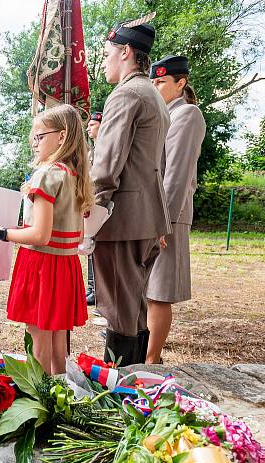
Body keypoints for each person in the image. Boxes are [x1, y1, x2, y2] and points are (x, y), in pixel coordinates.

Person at [0, 105, 92, 375]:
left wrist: (0, 233)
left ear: (61, 137)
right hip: (65, 265)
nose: (34, 143)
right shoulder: (73, 174)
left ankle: (40, 401)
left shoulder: (46, 174)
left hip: (41, 265)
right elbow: (75, 234)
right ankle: (59, 394)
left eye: (40, 136)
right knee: (56, 343)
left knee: (38, 340)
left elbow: (40, 235)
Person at [90, 17, 171, 366]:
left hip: (122, 220)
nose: (104, 61)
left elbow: (107, 165)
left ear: (125, 52)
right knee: (134, 307)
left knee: (119, 310)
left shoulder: (126, 94)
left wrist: (90, 214)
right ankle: (136, 388)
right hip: (148, 217)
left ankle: (117, 394)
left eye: (107, 53)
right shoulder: (153, 93)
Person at [146, 55, 206, 364]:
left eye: (161, 82)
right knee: (147, 288)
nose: (155, 87)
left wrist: (163, 223)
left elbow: (177, 175)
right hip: (153, 214)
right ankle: (144, 353)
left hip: (169, 215)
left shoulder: (187, 114)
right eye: (153, 81)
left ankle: (152, 360)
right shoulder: (164, 115)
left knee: (159, 291)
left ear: (180, 83)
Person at [85, 110, 103, 307]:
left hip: (100, 202)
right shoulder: (92, 151)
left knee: (97, 246)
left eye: (92, 125)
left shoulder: (104, 148)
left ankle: (97, 290)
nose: (88, 128)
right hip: (92, 201)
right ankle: (92, 288)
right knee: (90, 244)